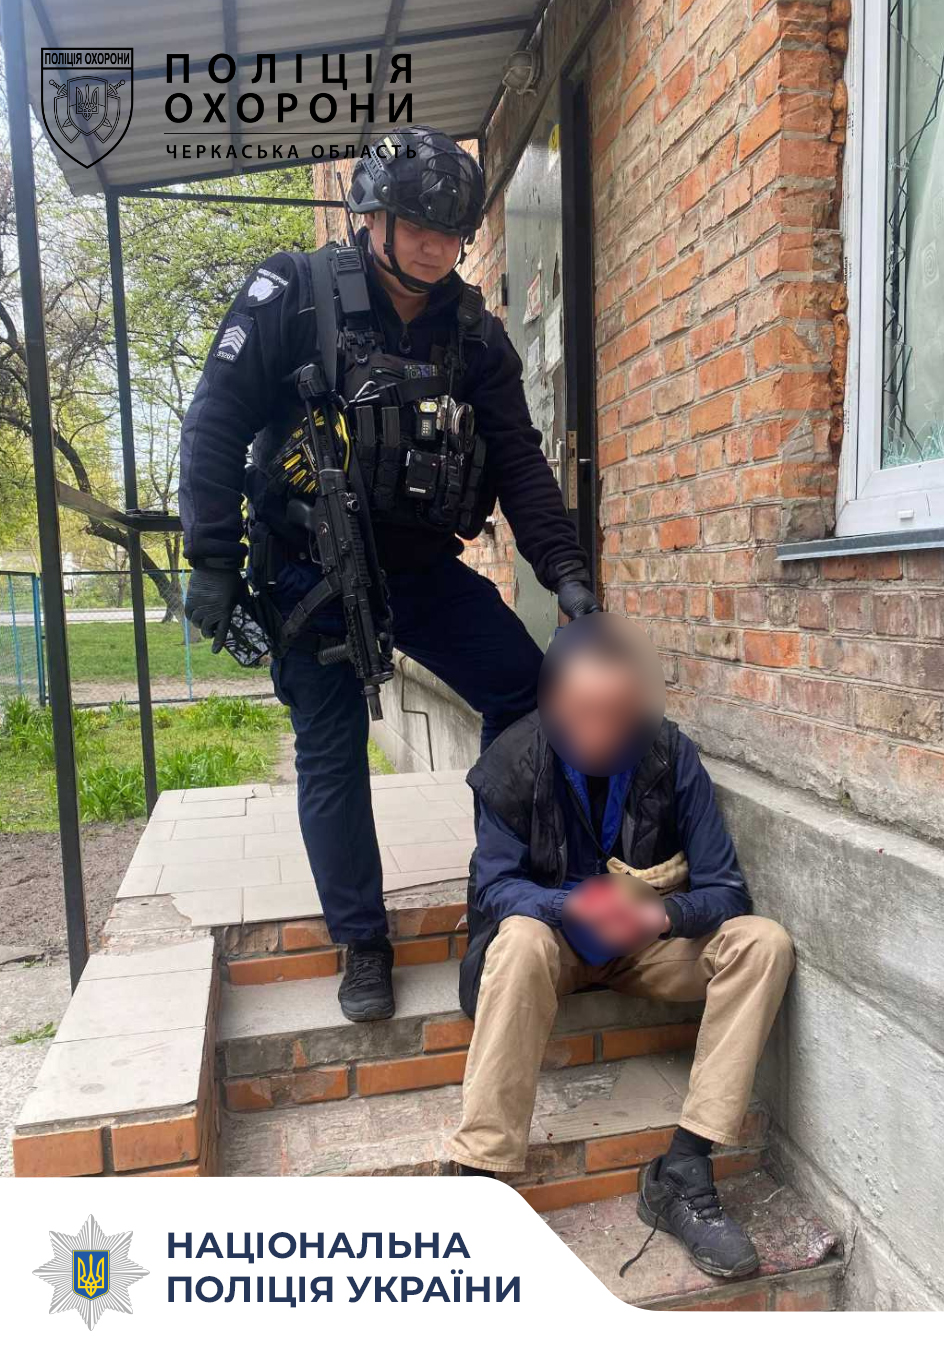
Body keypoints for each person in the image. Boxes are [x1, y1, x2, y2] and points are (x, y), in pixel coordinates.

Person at [178, 127, 598, 1025]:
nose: (437, 248)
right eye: (420, 228)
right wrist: (211, 558)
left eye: (452, 233)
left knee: (528, 691)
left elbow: (518, 459)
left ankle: (498, 899)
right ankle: (361, 942)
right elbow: (214, 421)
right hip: (309, 568)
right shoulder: (292, 293)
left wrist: (564, 570)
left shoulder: (474, 334)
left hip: (417, 567)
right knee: (332, 750)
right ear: (371, 216)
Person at [448, 616, 795, 1280]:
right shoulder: (510, 763)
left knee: (764, 943)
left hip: (641, 943)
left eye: (614, 714)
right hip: (551, 944)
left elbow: (727, 891)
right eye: (584, 713)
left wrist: (661, 916)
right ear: (554, 704)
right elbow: (494, 888)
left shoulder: (672, 756)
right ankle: (480, 1173)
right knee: (518, 938)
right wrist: (569, 907)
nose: (599, 731)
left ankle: (683, 1168)